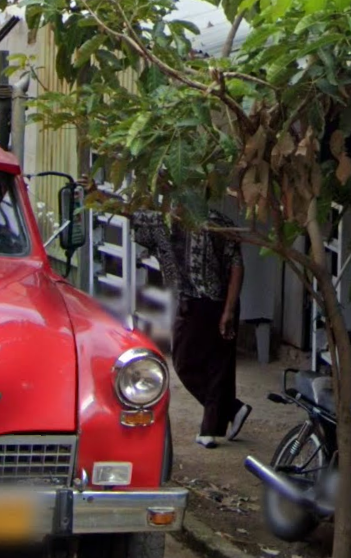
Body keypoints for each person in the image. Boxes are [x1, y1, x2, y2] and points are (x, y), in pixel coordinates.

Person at [81, 178, 251, 448]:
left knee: (219, 366)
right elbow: (127, 210)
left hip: (218, 301)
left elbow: (236, 266)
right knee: (184, 363)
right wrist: (97, 194)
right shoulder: (161, 222)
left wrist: (229, 309)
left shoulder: (219, 224)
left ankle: (212, 427)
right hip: (189, 301)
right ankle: (231, 410)